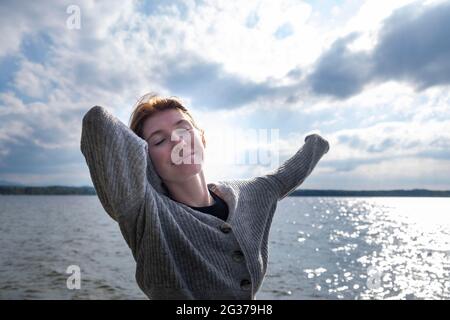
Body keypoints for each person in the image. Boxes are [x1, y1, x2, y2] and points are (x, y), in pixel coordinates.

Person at [80, 93, 330, 299]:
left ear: (202, 137)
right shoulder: (145, 213)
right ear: (144, 159)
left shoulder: (245, 194)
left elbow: (282, 178)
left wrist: (317, 142)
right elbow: (98, 123)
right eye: (159, 141)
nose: (178, 142)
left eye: (184, 130)